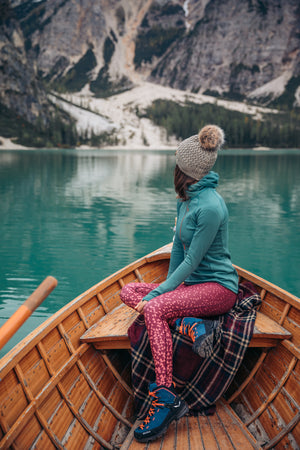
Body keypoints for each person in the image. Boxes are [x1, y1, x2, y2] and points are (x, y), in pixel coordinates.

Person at [120, 124, 239, 443]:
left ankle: (166, 396)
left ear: (186, 169)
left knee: (155, 309)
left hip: (218, 288)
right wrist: (168, 289)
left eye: (177, 162)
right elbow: (177, 248)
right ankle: (188, 323)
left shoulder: (211, 207)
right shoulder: (186, 199)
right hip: (192, 287)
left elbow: (192, 262)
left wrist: (161, 294)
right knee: (128, 290)